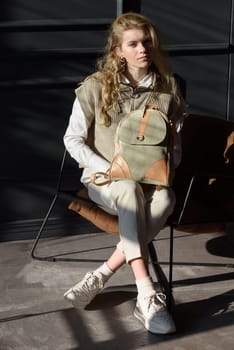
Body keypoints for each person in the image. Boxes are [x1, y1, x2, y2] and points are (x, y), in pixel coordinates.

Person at [63, 12, 186, 334]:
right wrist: (111, 169)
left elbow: (176, 151)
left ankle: (100, 275)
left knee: (166, 200)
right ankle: (147, 296)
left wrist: (168, 157)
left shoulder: (168, 90)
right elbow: (72, 140)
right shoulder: (94, 87)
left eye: (147, 42)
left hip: (150, 180)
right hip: (104, 180)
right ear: (118, 50)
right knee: (129, 191)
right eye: (133, 44)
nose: (142, 49)